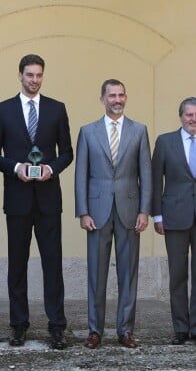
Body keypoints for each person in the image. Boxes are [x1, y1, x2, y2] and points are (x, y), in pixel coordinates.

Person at [0, 54, 73, 350]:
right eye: (29, 75)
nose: (34, 80)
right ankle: (18, 325)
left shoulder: (57, 109)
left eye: (39, 75)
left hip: (49, 198)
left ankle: (57, 326)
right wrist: (15, 168)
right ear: (20, 75)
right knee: (17, 264)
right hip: (18, 198)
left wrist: (52, 168)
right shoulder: (2, 110)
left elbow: (67, 152)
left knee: (53, 264)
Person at [74, 80, 151, 349]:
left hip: (130, 210)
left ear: (126, 98)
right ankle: (95, 330)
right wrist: (82, 211)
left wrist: (145, 210)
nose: (116, 100)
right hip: (97, 211)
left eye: (120, 95)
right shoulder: (87, 132)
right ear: (102, 99)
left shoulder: (139, 131)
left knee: (128, 272)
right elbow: (80, 174)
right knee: (97, 273)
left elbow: (146, 174)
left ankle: (125, 330)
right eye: (111, 95)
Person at [152, 96, 196, 345]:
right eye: (189, 115)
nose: (193, 119)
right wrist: (157, 215)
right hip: (174, 217)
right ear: (181, 116)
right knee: (177, 274)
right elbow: (156, 179)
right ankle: (180, 327)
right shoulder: (166, 142)